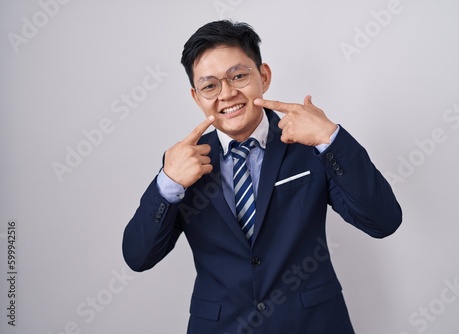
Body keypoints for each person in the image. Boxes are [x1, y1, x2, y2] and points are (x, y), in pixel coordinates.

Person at [122, 20, 402, 334]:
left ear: (263, 76)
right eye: (210, 85)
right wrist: (168, 183)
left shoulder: (310, 145)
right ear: (196, 96)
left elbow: (383, 221)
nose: (227, 94)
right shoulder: (184, 164)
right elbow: (138, 256)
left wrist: (330, 137)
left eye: (238, 76)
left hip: (312, 325)